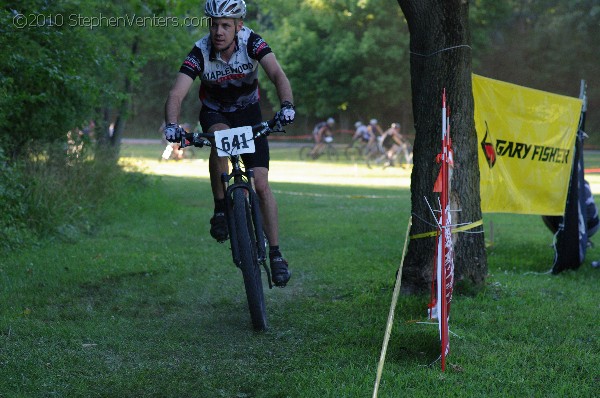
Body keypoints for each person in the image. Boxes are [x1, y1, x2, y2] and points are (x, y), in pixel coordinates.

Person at [163, 0, 295, 287]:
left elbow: (277, 75)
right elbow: (177, 93)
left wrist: (286, 105)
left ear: (239, 26)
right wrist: (172, 125)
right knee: (220, 138)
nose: (218, 31)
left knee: (261, 184)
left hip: (249, 113)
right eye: (214, 24)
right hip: (216, 112)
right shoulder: (199, 52)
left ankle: (275, 254)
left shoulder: (253, 43)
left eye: (225, 25)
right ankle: (221, 207)